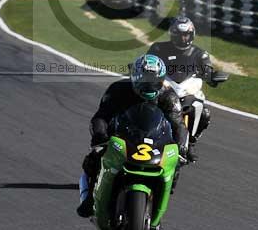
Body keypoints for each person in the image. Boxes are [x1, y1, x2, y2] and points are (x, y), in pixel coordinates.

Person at [76, 54, 187, 218]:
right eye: (145, 80)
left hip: (155, 141)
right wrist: (100, 135)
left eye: (154, 81)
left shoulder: (168, 96)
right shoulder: (117, 90)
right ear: (135, 77)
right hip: (122, 136)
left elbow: (179, 125)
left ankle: (156, 205)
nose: (149, 85)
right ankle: (90, 199)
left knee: (175, 165)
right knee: (94, 157)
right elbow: (101, 116)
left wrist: (181, 148)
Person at [148, 15, 216, 162]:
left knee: (203, 112)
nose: (183, 38)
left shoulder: (200, 53)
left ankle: (191, 142)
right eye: (180, 35)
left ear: (192, 35)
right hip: (165, 88)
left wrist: (212, 76)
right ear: (173, 34)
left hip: (188, 90)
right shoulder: (158, 48)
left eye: (186, 35)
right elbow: (148, 62)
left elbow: (208, 69)